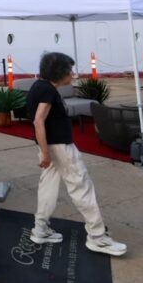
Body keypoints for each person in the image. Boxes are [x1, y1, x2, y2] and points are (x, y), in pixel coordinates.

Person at [28, 51, 127, 256]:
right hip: (60, 148)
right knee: (81, 186)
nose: (72, 74)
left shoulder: (39, 86)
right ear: (59, 73)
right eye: (70, 70)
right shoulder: (48, 91)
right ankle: (97, 237)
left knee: (48, 186)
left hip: (51, 146)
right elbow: (38, 120)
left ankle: (40, 229)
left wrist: (44, 151)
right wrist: (45, 152)